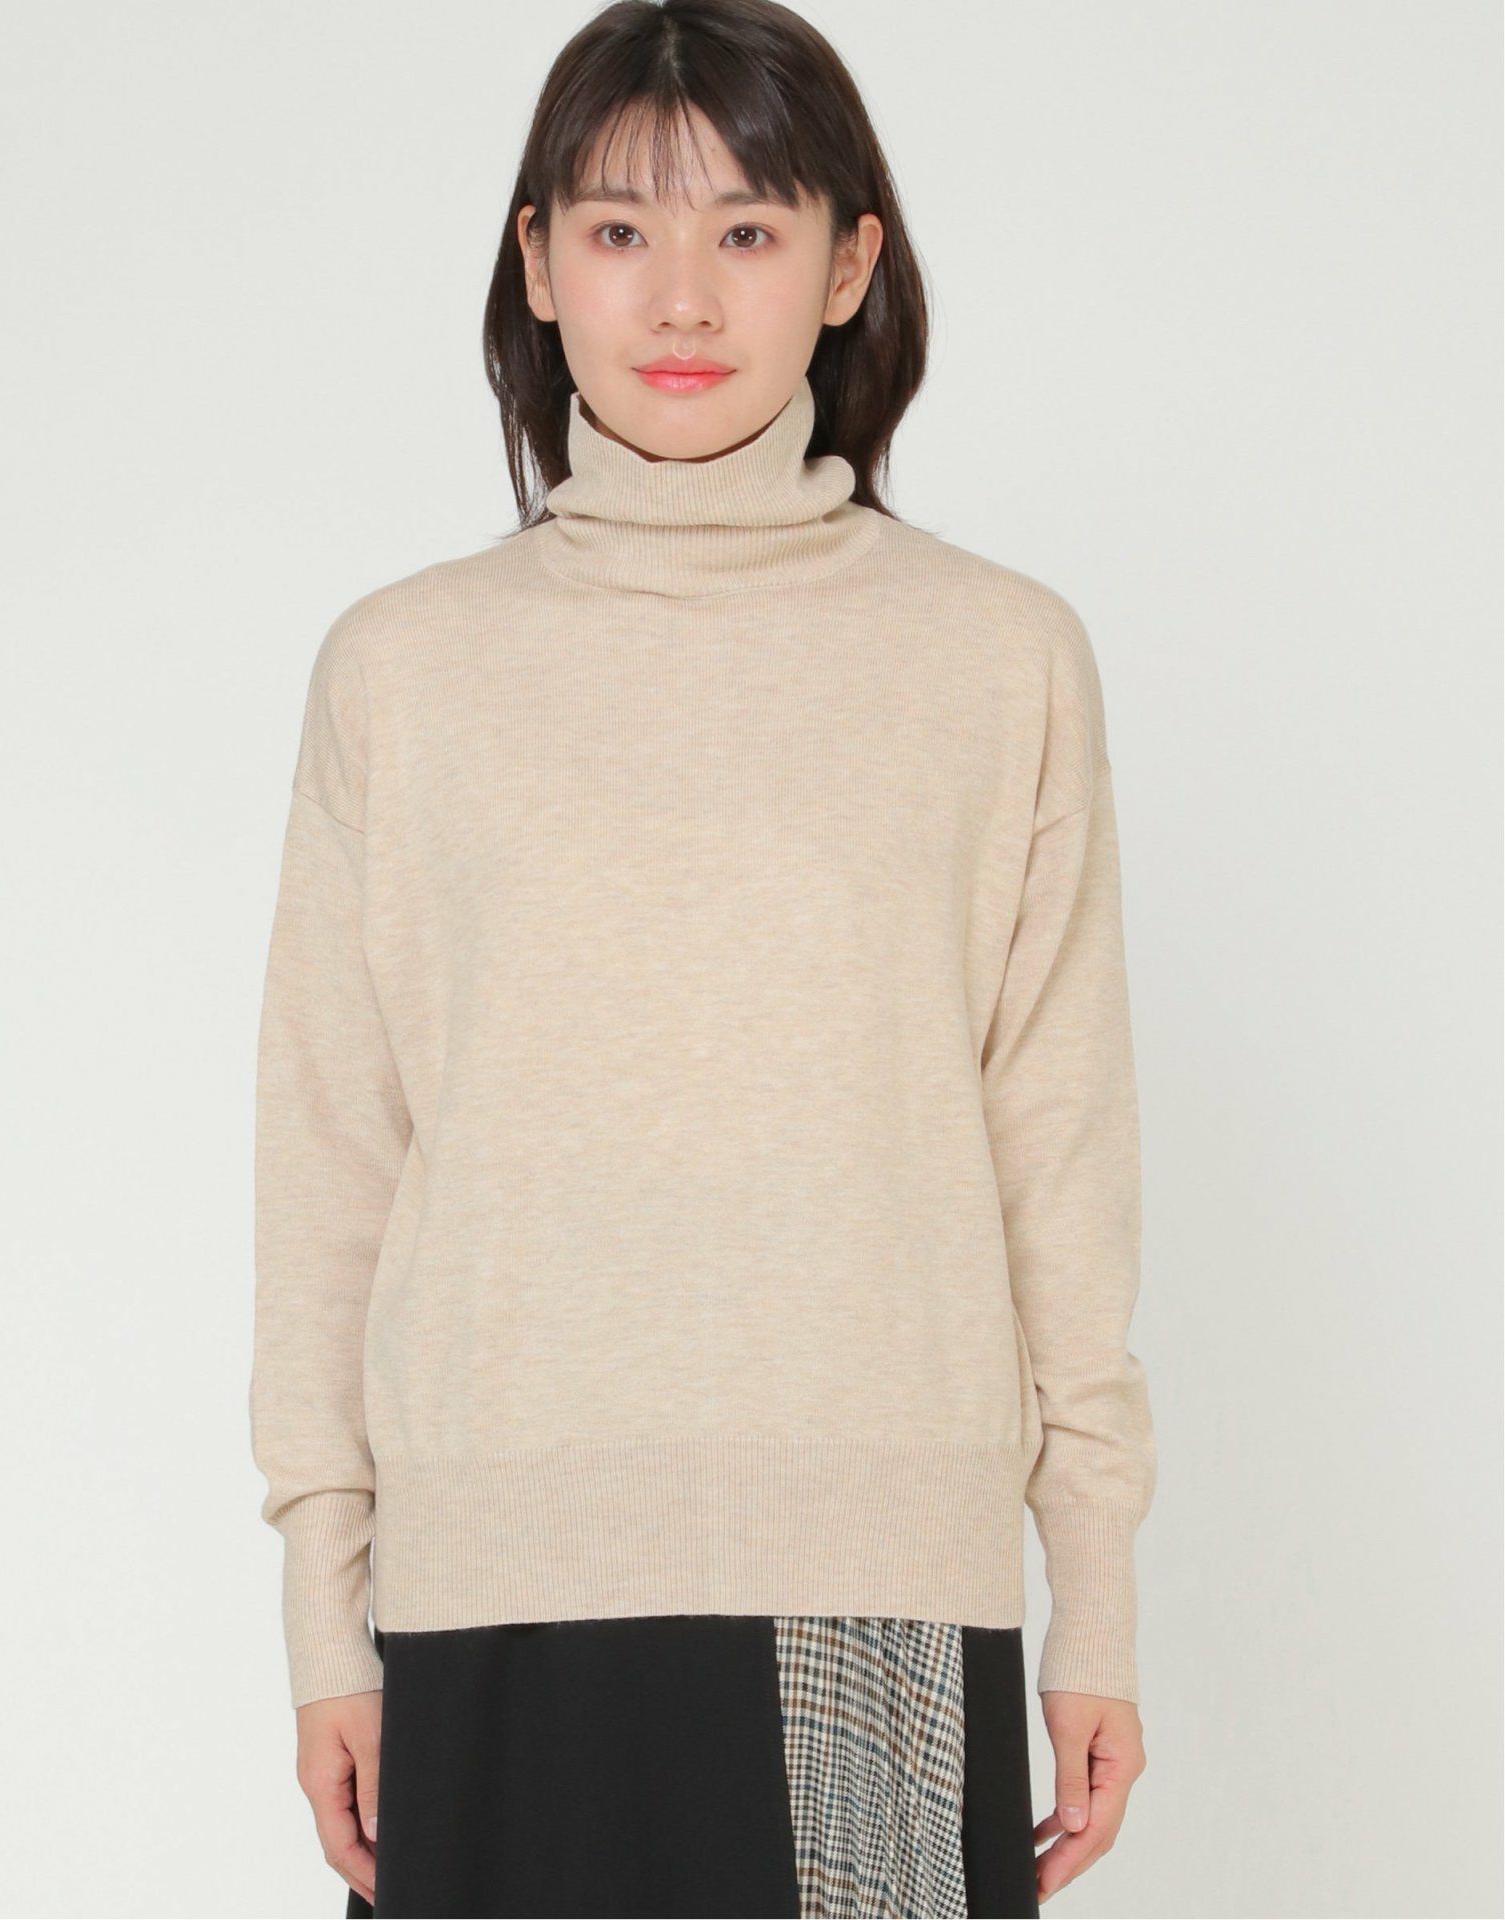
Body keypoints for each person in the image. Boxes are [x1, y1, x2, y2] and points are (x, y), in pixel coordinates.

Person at [249, 1, 1156, 1913]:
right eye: (617, 228)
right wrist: (330, 1612)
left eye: (747, 229)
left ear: (850, 264)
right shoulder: (404, 671)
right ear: (536, 264)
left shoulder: (997, 659)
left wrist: (1096, 1597)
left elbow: (1059, 1152)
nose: (680, 296)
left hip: (878, 1585)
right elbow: (334, 1160)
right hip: (490, 1590)